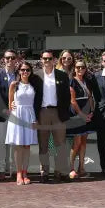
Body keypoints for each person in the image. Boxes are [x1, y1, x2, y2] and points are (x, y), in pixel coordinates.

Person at [33, 49, 72, 182]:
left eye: (49, 58)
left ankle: (60, 171)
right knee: (43, 145)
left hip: (58, 113)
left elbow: (67, 96)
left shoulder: (62, 75)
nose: (47, 61)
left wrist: (64, 112)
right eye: (45, 58)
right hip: (42, 113)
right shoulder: (36, 76)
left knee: (60, 144)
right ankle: (44, 172)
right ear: (41, 60)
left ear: (54, 60)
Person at [6, 62, 39, 185]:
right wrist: (12, 105)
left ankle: (25, 172)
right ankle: (18, 173)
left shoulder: (34, 85)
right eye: (23, 70)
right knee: (18, 146)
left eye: (28, 70)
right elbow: (10, 104)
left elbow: (36, 102)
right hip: (17, 116)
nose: (25, 72)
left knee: (27, 146)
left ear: (31, 72)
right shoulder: (14, 85)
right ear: (19, 71)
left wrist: (35, 118)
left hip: (30, 115)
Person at [67, 59, 97, 179]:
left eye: (82, 67)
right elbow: (73, 101)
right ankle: (71, 168)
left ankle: (81, 168)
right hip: (77, 115)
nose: (80, 69)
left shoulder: (87, 81)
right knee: (77, 142)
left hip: (87, 114)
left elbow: (90, 97)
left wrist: (92, 112)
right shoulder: (72, 82)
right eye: (78, 67)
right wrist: (82, 115)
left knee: (84, 142)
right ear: (74, 68)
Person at [0, 49, 19, 177]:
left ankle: (12, 169)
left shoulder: (21, 74)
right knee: (1, 143)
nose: (10, 60)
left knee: (13, 143)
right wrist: (2, 109)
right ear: (4, 59)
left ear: (16, 60)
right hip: (2, 115)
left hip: (17, 115)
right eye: (7, 58)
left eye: (12, 58)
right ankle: (2, 169)